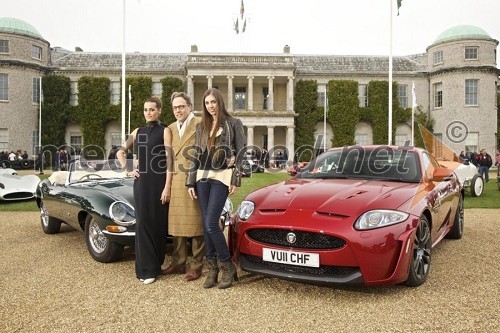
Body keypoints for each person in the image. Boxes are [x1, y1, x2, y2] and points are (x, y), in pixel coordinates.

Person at [186, 88, 246, 289]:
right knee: (206, 224)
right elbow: (195, 155)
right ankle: (212, 269)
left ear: (220, 103)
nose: (210, 106)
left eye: (213, 102)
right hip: (202, 178)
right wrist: (190, 181)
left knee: (212, 223)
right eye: (207, 103)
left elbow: (241, 153)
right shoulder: (201, 127)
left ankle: (227, 266)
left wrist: (236, 179)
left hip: (221, 177)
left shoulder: (233, 124)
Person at [117, 96, 173, 285]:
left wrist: (167, 186)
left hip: (159, 183)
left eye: (152, 109)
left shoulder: (165, 131)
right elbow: (120, 151)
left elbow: (170, 162)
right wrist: (128, 169)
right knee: (142, 224)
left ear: (159, 111)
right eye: (145, 109)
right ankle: (145, 269)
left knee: (158, 224)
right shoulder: (137, 131)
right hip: (141, 184)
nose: (148, 112)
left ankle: (156, 265)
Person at [162, 92, 205, 281]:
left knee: (196, 223)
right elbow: (169, 157)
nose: (178, 110)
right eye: (175, 107)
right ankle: (179, 262)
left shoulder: (201, 123)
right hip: (177, 178)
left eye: (181, 106)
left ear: (189, 106)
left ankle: (197, 265)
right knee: (177, 223)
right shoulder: (170, 128)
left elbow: (205, 152)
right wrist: (167, 184)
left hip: (195, 178)